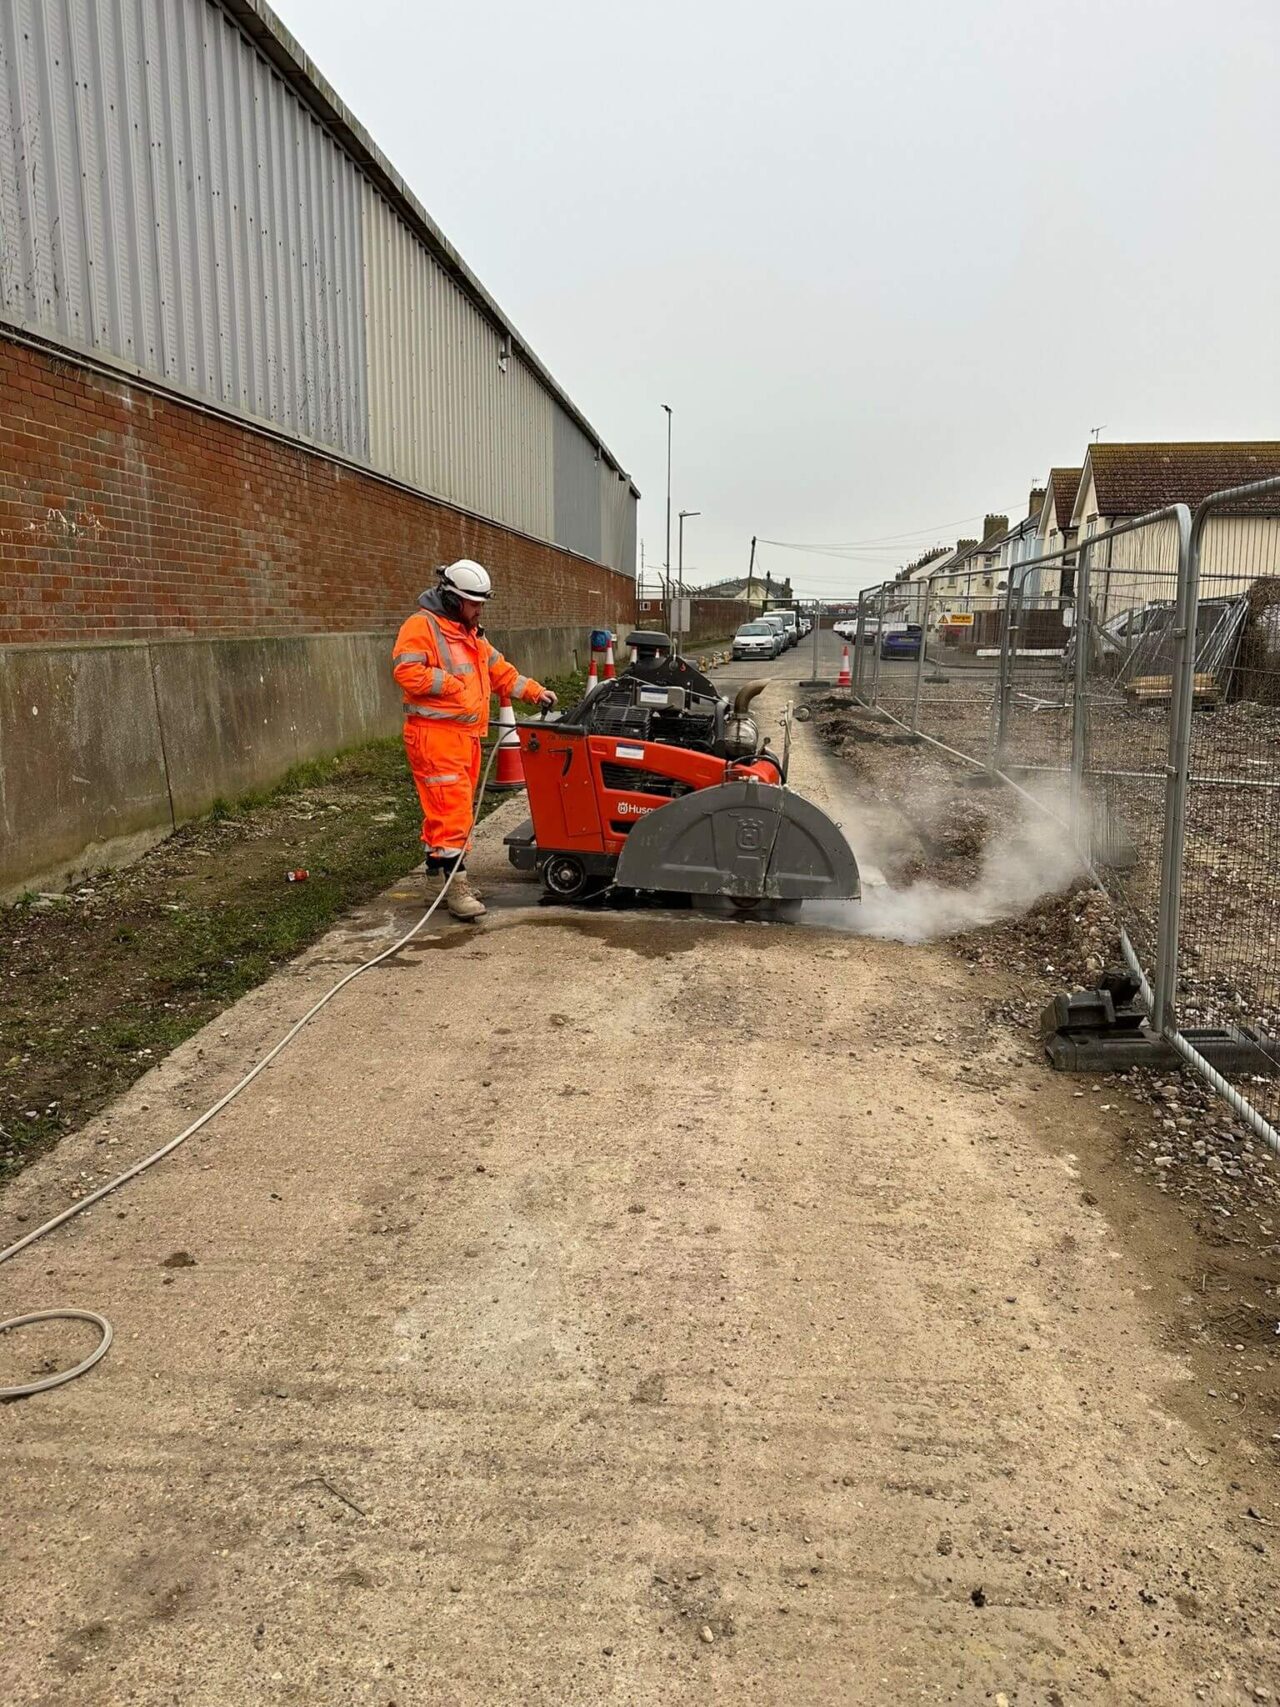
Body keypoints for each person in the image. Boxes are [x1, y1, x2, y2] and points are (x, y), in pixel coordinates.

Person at [392, 560, 556, 919]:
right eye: (473, 603)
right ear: (453, 600)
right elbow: (407, 671)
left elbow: (499, 671)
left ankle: (437, 879)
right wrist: (453, 686)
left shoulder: (471, 633)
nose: (479, 609)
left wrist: (534, 692)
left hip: (463, 737)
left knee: (446, 812)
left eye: (481, 602)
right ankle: (455, 887)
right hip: (435, 738)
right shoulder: (422, 627)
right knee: (452, 812)